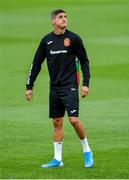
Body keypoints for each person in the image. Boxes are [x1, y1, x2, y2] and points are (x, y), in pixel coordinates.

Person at [26, 9, 94, 168]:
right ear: (53, 21)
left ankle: (87, 150)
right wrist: (29, 86)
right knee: (57, 122)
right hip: (54, 88)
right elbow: (36, 64)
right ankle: (57, 159)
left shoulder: (74, 38)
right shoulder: (46, 41)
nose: (64, 19)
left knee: (74, 120)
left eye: (65, 17)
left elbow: (84, 61)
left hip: (70, 86)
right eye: (60, 17)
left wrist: (86, 83)